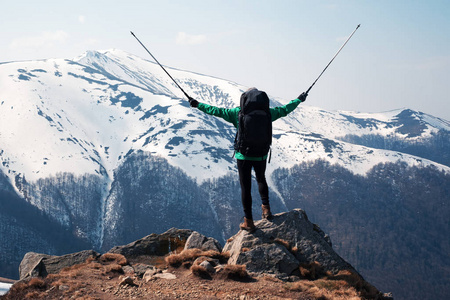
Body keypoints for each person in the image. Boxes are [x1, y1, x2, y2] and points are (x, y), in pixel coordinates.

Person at [188, 88, 307, 232]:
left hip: (243, 155)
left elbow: (215, 110)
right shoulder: (269, 113)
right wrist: (299, 99)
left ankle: (249, 222)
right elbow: (285, 109)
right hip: (261, 154)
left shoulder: (237, 113)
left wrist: (197, 104)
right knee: (261, 179)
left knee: (246, 187)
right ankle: (266, 210)